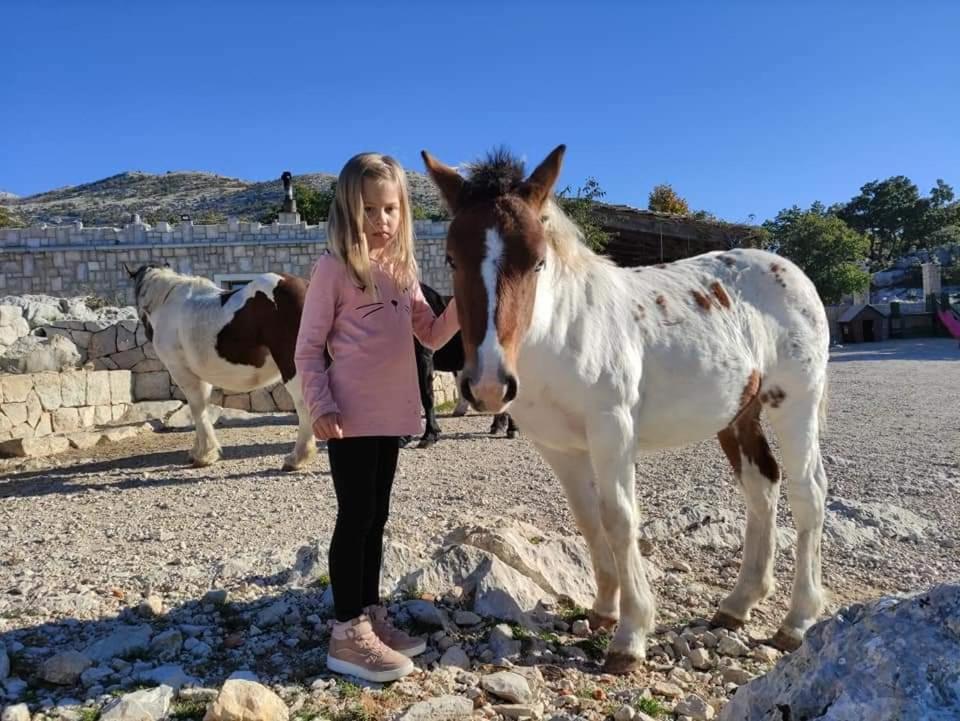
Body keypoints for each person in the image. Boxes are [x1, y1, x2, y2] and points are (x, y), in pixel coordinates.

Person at [294, 152, 460, 682]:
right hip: (348, 418)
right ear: (347, 210)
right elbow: (307, 349)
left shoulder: (402, 270)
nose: (382, 221)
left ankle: (369, 615)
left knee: (377, 521)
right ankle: (345, 634)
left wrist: (469, 300)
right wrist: (320, 405)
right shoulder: (333, 269)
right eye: (370, 209)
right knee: (354, 519)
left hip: (390, 418)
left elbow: (430, 335)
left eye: (390, 209)